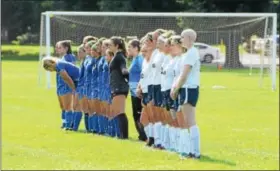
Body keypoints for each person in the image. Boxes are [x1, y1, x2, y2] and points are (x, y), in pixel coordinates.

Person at [171, 29, 201, 159]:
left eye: (182, 37)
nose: (181, 40)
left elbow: (184, 75)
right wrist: (175, 88)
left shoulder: (192, 53)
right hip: (186, 88)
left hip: (189, 88)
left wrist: (176, 89)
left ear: (188, 38)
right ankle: (191, 151)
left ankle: (195, 152)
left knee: (190, 121)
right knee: (187, 120)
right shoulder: (188, 53)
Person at [42, 57, 79, 130]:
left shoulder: (59, 66)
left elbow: (67, 79)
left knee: (68, 106)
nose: (50, 71)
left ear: (51, 65)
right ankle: (66, 124)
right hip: (75, 80)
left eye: (49, 69)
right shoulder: (57, 65)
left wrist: (74, 90)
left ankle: (68, 126)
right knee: (64, 106)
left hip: (80, 79)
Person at [108, 36, 130, 139]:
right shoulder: (116, 56)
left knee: (120, 111)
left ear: (117, 46)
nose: (109, 47)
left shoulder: (119, 57)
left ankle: (124, 136)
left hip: (120, 88)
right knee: (117, 111)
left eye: (110, 45)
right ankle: (121, 135)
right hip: (116, 86)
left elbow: (124, 70)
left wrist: (126, 76)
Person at [127, 39, 147, 142]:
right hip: (133, 91)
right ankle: (141, 135)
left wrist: (140, 88)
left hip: (138, 92)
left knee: (138, 114)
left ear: (136, 48)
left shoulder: (139, 59)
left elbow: (143, 73)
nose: (128, 49)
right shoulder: (135, 59)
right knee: (135, 114)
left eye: (130, 47)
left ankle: (144, 135)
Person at [55, 40, 76, 130]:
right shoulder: (62, 58)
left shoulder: (69, 57)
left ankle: (68, 125)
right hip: (60, 85)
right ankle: (64, 123)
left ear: (66, 48)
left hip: (66, 85)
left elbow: (71, 71)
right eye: (57, 47)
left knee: (67, 106)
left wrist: (72, 85)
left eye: (60, 47)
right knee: (62, 106)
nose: (57, 49)